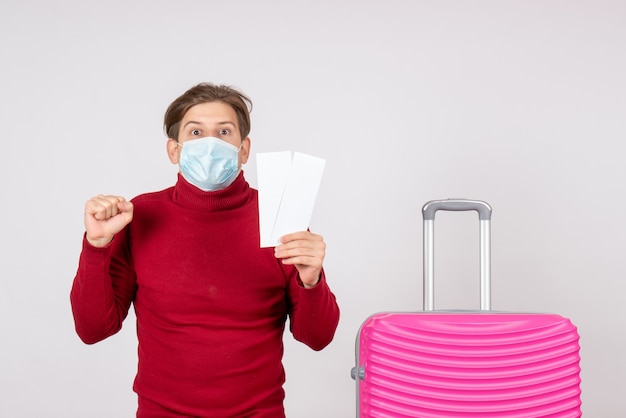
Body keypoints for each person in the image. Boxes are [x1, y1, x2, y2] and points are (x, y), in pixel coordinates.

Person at [70, 82, 340, 417]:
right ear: (174, 150)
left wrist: (312, 281)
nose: (210, 144)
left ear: (244, 149)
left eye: (224, 132)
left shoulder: (280, 218)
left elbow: (317, 338)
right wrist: (97, 246)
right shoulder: (141, 216)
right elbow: (93, 329)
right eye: (196, 132)